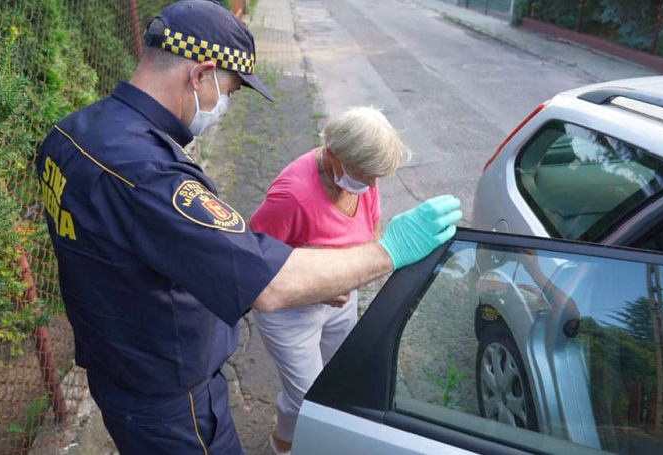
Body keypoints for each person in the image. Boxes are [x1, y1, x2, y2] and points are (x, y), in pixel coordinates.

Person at [34, 1, 462, 454]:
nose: (224, 106)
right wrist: (388, 252)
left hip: (118, 368)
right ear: (200, 75)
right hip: (170, 398)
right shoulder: (152, 177)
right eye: (230, 91)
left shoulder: (70, 134)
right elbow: (269, 283)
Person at [249, 106, 409, 454]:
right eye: (365, 175)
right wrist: (320, 285)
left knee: (338, 377)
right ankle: (282, 445)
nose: (371, 186)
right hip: (290, 314)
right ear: (334, 155)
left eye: (376, 177)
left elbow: (372, 232)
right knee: (307, 396)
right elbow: (254, 265)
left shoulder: (363, 176)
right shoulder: (293, 195)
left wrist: (345, 275)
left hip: (340, 302)